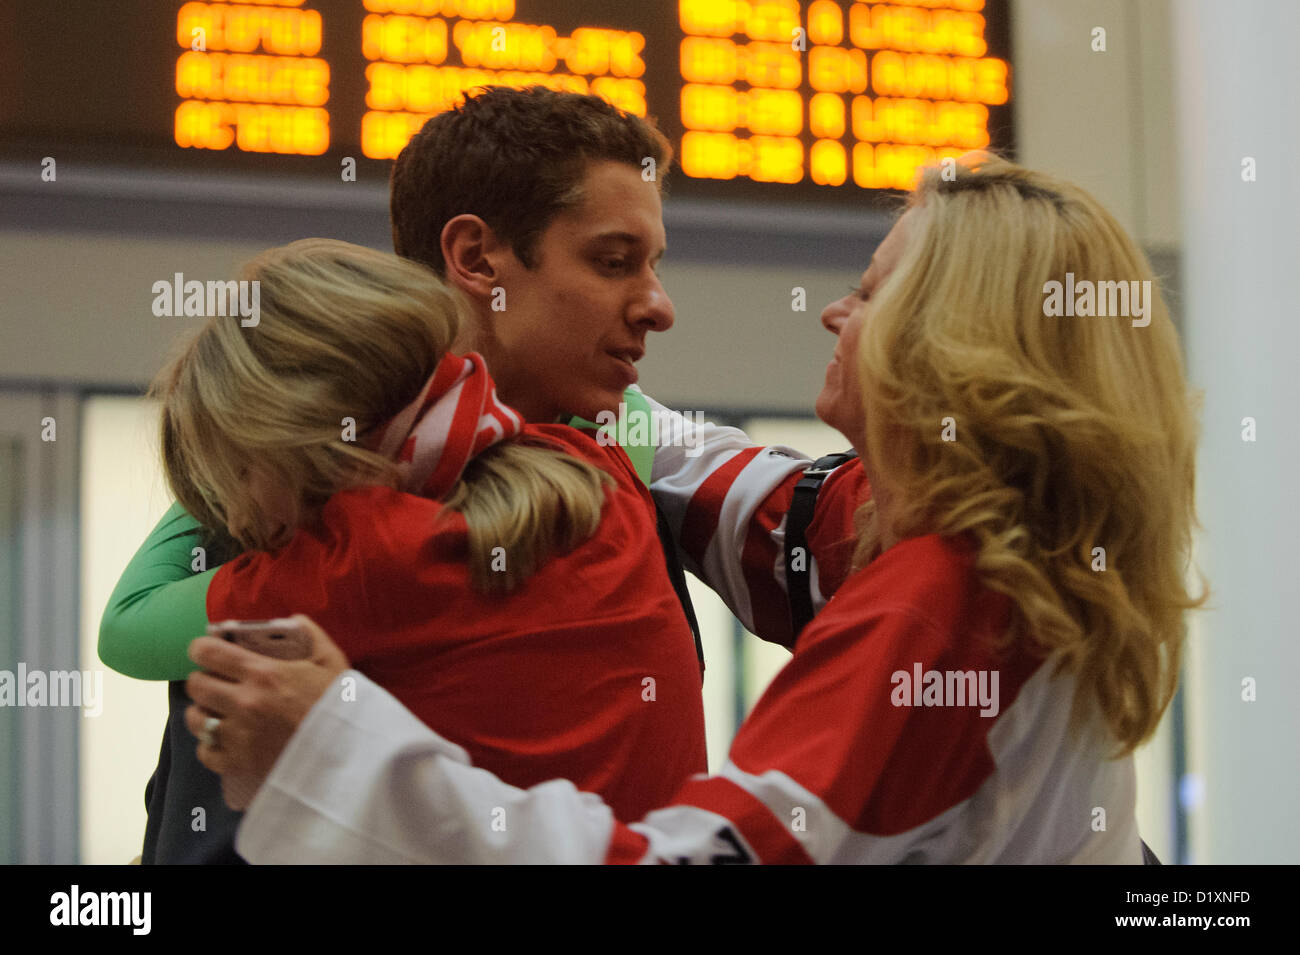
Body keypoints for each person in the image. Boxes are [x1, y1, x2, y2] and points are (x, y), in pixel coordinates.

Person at [189, 154, 1206, 863]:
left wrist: (330, 746)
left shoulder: (932, 611)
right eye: (612, 260)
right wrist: (518, 389)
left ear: (951, 345)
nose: (835, 313)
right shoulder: (999, 545)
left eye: (871, 291)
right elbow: (726, 480)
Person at [150, 238, 707, 829]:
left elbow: (134, 619)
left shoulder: (359, 558)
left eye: (238, 474)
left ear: (301, 441)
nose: (234, 521)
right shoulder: (601, 470)